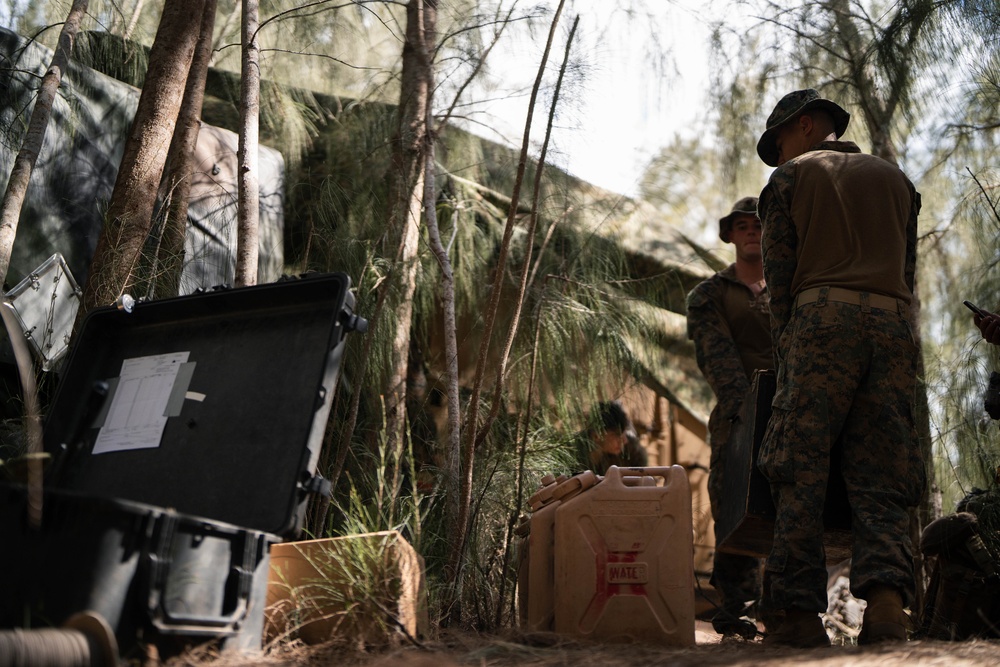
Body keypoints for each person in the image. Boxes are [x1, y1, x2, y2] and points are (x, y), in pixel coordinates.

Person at [754, 88, 924, 647]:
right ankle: (887, 609)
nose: (777, 156)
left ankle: (799, 616)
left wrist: (788, 362)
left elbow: (779, 283)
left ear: (804, 126)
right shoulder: (897, 180)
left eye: (777, 142)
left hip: (821, 324)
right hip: (893, 329)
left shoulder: (791, 178)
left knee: (798, 471)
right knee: (882, 474)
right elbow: (908, 274)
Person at [686, 196, 771, 638]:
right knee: (733, 506)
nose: (751, 230)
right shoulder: (709, 295)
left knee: (792, 508)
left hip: (795, 411)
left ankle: (786, 608)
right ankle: (734, 608)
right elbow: (719, 362)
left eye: (759, 223)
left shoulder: (795, 289)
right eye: (742, 225)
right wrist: (749, 414)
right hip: (738, 417)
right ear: (731, 235)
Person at [575, 400, 648, 475]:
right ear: (597, 435)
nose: (625, 441)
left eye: (624, 434)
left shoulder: (632, 451)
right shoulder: (573, 453)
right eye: (617, 435)